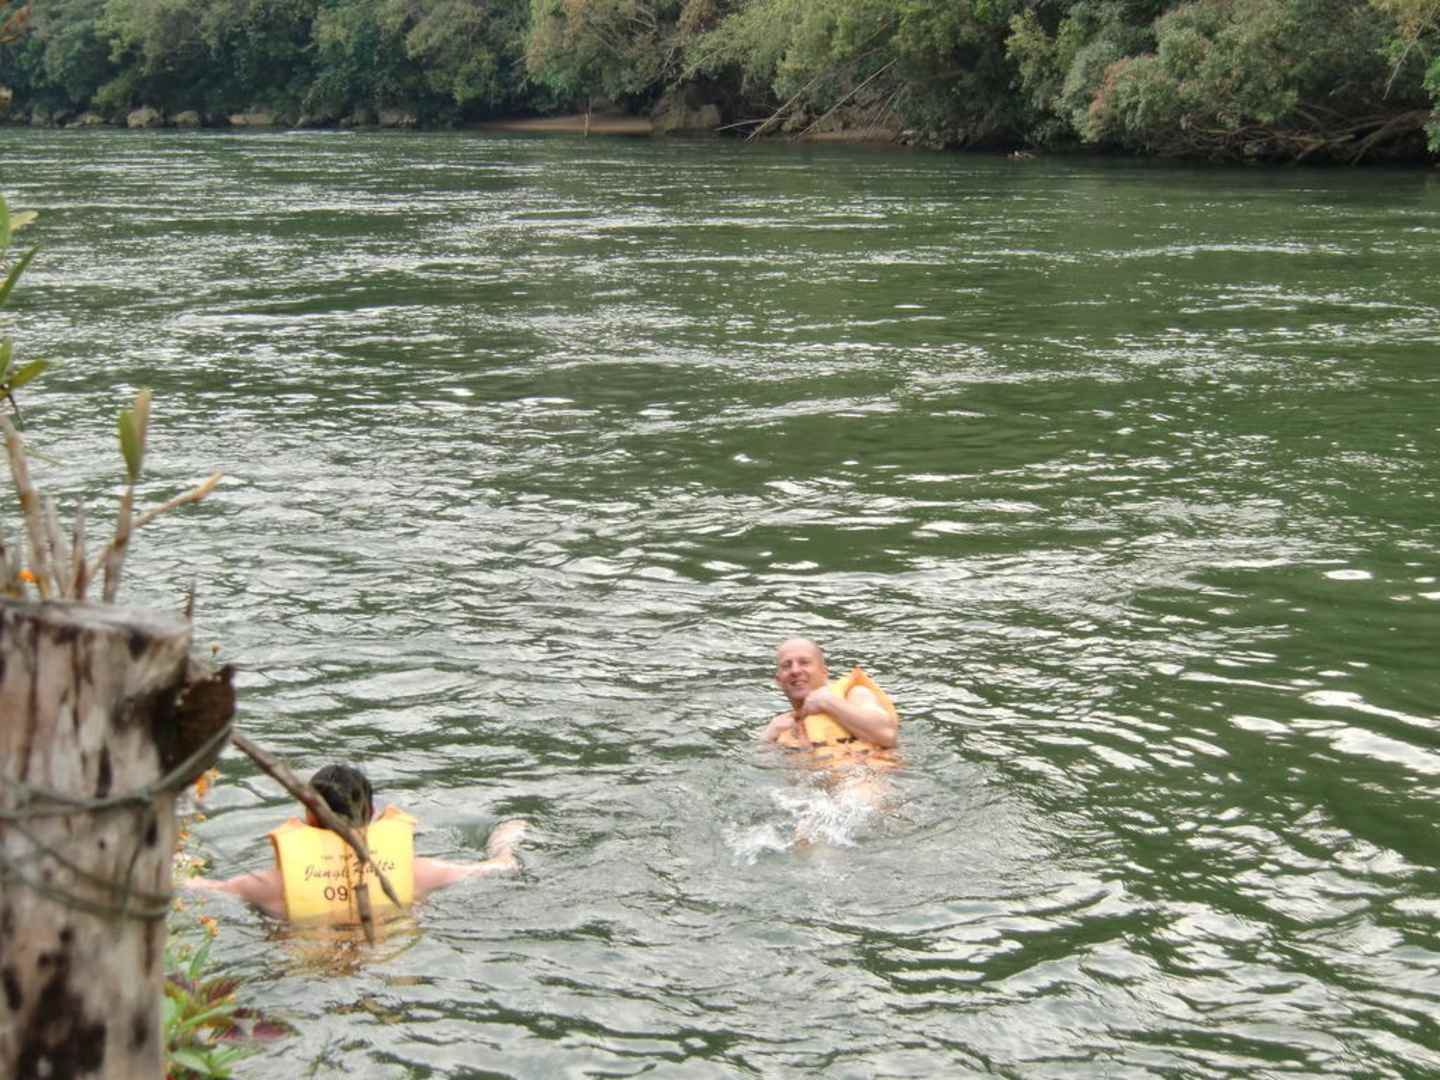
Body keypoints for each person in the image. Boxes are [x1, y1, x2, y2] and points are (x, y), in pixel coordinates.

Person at [185, 764, 527, 924]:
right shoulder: (416, 873)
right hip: (383, 966)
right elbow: (502, 868)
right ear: (372, 813)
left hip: (306, 973)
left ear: (308, 814)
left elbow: (191, 886)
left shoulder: (270, 885)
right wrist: (504, 839)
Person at [760, 638, 899, 760]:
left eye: (804, 662)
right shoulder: (781, 728)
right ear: (778, 680)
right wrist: (766, 739)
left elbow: (887, 735)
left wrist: (827, 702)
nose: (795, 670)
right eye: (786, 666)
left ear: (824, 672)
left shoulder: (854, 695)